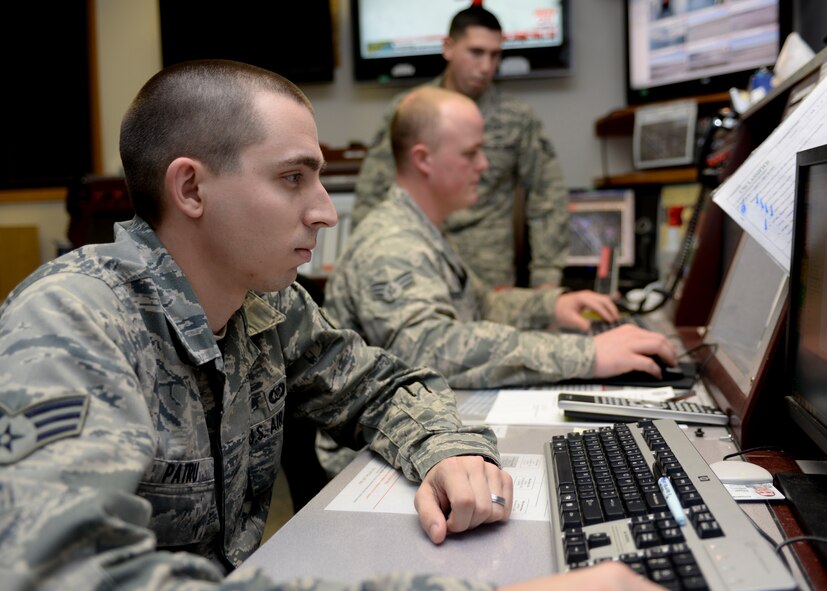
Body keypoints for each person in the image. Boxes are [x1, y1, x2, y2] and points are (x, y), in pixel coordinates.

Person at [0, 60, 662, 591]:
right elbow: (65, 575)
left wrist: (447, 449)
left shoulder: (265, 303)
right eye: (293, 177)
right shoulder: (72, 322)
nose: (324, 212)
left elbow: (380, 385)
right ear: (192, 189)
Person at [324, 86, 679, 392]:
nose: (484, 164)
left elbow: (481, 306)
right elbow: (430, 349)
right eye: (470, 153)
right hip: (367, 446)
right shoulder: (391, 244)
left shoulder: (422, 230)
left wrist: (551, 306)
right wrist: (587, 354)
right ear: (423, 160)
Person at [352, 4, 568, 289]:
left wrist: (546, 280)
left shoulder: (517, 118)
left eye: (495, 55)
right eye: (476, 52)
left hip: (488, 273)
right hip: (418, 263)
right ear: (448, 47)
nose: (486, 67)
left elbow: (547, 197)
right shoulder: (410, 111)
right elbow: (372, 192)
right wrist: (362, 264)